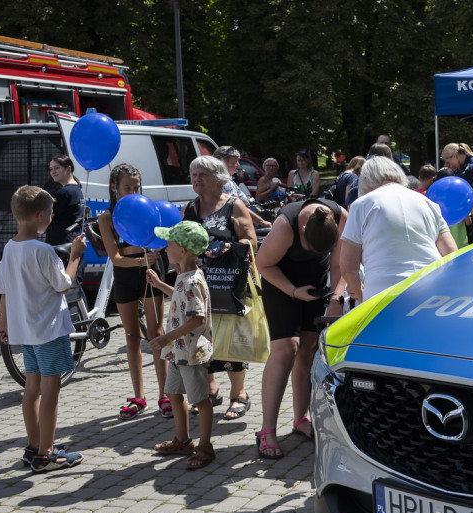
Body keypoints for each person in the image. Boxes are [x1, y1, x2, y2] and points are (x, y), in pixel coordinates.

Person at [0, 185, 85, 472]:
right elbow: (63, 286)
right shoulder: (44, 250)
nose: (53, 215)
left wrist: (2, 324)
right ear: (40, 215)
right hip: (48, 330)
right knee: (51, 391)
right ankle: (46, 453)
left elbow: (4, 291)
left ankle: (34, 446)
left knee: (31, 389)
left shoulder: (9, 249)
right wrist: (75, 256)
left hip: (26, 333)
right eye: (51, 212)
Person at [254, 197, 347, 459]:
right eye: (311, 248)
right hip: (281, 282)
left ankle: (300, 419)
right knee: (286, 349)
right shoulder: (286, 225)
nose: (316, 254)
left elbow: (339, 265)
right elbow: (263, 264)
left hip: (315, 284)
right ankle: (267, 431)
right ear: (303, 230)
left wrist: (336, 298)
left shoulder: (342, 217)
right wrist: (293, 291)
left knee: (308, 348)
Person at [181, 155, 258, 421]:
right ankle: (211, 391)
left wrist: (228, 247)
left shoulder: (234, 206)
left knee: (230, 341)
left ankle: (240, 394)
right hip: (200, 286)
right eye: (193, 175)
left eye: (202, 175)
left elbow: (251, 242)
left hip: (229, 283)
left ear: (218, 179)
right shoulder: (189, 209)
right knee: (202, 338)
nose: (197, 180)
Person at [97, 163, 169, 421]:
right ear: (114, 189)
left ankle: (165, 394)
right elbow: (116, 257)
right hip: (127, 276)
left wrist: (153, 255)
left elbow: (164, 237)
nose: (133, 191)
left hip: (152, 273)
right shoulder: (107, 218)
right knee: (131, 337)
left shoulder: (147, 210)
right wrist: (139, 259)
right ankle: (138, 396)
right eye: (127, 187)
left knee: (156, 334)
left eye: (136, 186)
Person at [145, 220, 216, 469]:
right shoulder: (183, 276)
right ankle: (183, 440)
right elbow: (179, 299)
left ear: (183, 250)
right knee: (173, 393)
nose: (165, 249)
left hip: (191, 351)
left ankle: (205, 447)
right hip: (178, 350)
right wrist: (159, 284)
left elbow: (198, 319)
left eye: (169, 244)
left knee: (201, 400)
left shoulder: (192, 281)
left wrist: (167, 337)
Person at [341, 156, 457, 302]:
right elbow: (452, 254)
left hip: (382, 294)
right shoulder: (428, 203)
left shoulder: (360, 205)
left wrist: (361, 297)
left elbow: (348, 267)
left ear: (367, 183)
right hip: (431, 290)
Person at [215, 145, 271, 230]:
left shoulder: (224, 179)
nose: (238, 164)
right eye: (235, 162)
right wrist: (261, 222)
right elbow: (237, 206)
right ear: (221, 162)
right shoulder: (225, 182)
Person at [441, 142, 473, 242]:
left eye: (448, 162)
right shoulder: (471, 165)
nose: (449, 166)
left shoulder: (471, 168)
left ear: (455, 156)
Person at [44, 155, 84, 246]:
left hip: (60, 242)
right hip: (72, 240)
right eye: (51, 169)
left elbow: (47, 217)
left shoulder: (64, 192)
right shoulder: (77, 189)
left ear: (68, 169)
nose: (53, 172)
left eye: (56, 168)